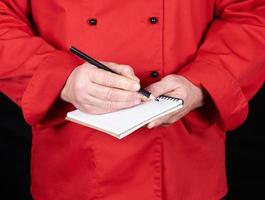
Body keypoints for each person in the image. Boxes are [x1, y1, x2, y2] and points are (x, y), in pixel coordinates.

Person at [0, 0, 264, 199]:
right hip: (73, 165)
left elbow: (253, 13)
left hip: (181, 162)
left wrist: (202, 83)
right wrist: (61, 80)